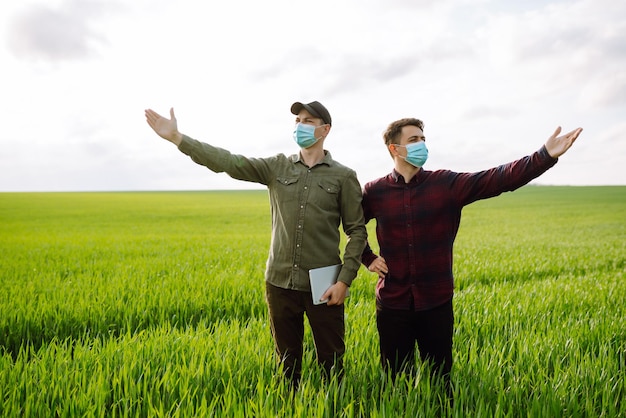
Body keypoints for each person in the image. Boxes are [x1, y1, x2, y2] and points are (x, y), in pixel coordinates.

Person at [145, 101, 367, 388]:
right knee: (287, 362)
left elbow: (357, 232)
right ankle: (290, 405)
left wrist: (344, 281)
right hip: (279, 280)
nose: (300, 125)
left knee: (332, 361)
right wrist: (179, 139)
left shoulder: (343, 176)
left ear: (325, 129)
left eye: (308, 121)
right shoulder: (276, 167)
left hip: (324, 282)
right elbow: (229, 162)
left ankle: (333, 405)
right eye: (298, 120)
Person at [361, 118, 583, 400]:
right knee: (395, 383)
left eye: (423, 139)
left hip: (436, 302)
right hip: (392, 302)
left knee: (441, 383)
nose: (422, 145)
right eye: (414, 140)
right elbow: (351, 224)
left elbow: (498, 178)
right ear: (395, 148)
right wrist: (367, 257)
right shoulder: (375, 191)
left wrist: (544, 156)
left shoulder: (445, 184)